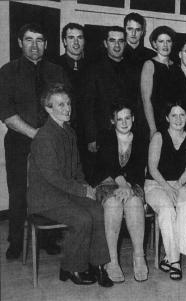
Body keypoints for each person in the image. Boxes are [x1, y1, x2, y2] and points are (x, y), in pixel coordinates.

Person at [27, 84, 113, 287]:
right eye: (61, 105)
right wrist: (82, 190)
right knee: (82, 219)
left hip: (66, 193)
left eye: (68, 103)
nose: (67, 108)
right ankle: (72, 267)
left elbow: (77, 169)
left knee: (97, 210)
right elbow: (53, 178)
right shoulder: (44, 137)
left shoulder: (69, 132)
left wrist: (86, 189)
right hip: (46, 198)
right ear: (49, 109)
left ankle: (98, 265)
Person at [0, 23, 69, 259]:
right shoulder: (8, 71)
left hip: (51, 143)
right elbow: (7, 114)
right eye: (29, 40)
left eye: (40, 40)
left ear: (46, 45)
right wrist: (36, 135)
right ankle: (16, 242)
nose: (35, 45)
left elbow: (64, 108)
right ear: (20, 43)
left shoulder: (56, 71)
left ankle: (48, 239)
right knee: (19, 192)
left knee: (50, 188)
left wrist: (51, 137)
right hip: (20, 142)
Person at [92, 104, 148, 283]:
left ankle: (139, 257)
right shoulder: (105, 136)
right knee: (114, 204)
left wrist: (128, 185)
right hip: (107, 182)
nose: (124, 122)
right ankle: (112, 261)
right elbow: (109, 165)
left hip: (131, 182)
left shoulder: (141, 138)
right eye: (119, 119)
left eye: (127, 118)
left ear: (133, 118)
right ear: (112, 121)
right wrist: (122, 184)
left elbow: (139, 168)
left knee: (134, 203)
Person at [145, 102, 186, 281]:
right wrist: (167, 188)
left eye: (182, 115)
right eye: (173, 115)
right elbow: (152, 168)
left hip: (179, 183)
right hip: (155, 184)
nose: (178, 119)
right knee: (167, 210)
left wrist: (175, 187)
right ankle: (175, 261)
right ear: (167, 118)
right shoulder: (159, 137)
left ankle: (169, 255)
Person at [83, 26, 139, 155]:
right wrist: (91, 137)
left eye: (120, 41)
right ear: (105, 43)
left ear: (125, 43)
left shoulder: (133, 70)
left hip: (127, 133)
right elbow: (88, 105)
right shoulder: (93, 69)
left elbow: (136, 103)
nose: (117, 45)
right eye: (112, 40)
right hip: (102, 134)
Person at [54, 23, 92, 179]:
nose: (76, 42)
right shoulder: (55, 66)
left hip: (86, 134)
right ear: (64, 41)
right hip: (63, 130)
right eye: (71, 38)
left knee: (86, 176)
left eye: (79, 38)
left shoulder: (92, 66)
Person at [140, 25, 177, 139]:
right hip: (155, 122)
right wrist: (153, 129)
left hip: (173, 121)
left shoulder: (176, 66)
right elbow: (146, 100)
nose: (165, 45)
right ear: (155, 44)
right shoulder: (149, 65)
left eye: (168, 41)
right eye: (161, 41)